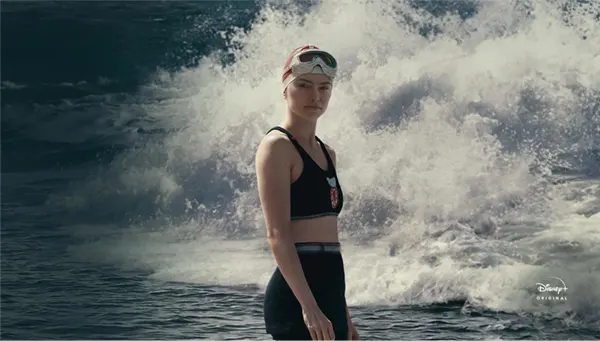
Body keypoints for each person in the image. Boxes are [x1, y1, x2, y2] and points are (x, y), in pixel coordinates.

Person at [255, 45, 360, 341]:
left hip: (330, 294)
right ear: (286, 89)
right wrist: (309, 307)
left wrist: (343, 313)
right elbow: (278, 234)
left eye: (324, 87)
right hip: (297, 300)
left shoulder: (328, 153)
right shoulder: (277, 147)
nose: (316, 96)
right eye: (304, 86)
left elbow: (330, 239)